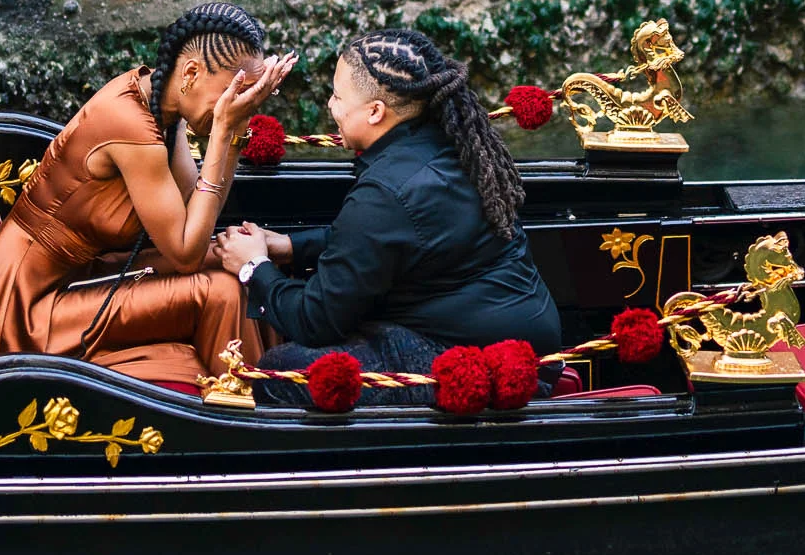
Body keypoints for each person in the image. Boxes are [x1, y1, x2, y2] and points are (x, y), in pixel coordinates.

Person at [212, 28, 560, 405]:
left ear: (376, 112)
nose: (331, 105)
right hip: (528, 345)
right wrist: (289, 247)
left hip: (484, 364)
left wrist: (252, 267)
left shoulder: (386, 192)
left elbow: (315, 320)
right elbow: (383, 240)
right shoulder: (454, 142)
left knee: (282, 371)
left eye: (338, 96)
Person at [0, 3, 296, 387]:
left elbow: (195, 216)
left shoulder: (162, 108)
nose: (239, 102)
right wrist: (222, 133)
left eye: (248, 94)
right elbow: (185, 255)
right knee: (219, 290)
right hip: (18, 313)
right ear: (191, 73)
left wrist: (234, 129)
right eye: (234, 92)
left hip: (80, 280)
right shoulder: (130, 123)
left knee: (230, 262)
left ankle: (264, 388)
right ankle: (244, 412)